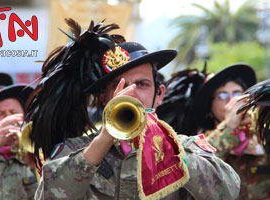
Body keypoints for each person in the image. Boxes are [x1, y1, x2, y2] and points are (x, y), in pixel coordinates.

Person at [26, 18, 240, 199]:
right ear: (104, 98)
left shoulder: (187, 147)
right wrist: (104, 139)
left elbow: (228, 191)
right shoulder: (75, 149)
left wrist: (166, 145)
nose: (131, 93)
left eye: (142, 84)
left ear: (159, 95)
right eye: (118, 86)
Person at [193, 64, 270, 200]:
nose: (232, 100)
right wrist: (229, 126)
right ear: (210, 110)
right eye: (222, 96)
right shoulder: (199, 144)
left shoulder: (262, 136)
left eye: (238, 93)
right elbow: (197, 168)